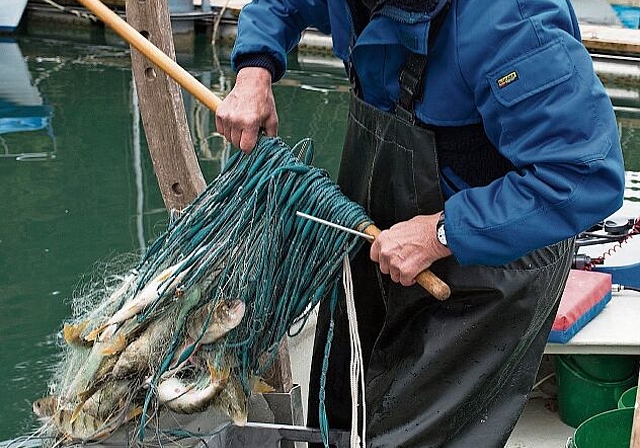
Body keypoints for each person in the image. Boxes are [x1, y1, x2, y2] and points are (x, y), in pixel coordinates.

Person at [215, 0, 626, 446]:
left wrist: (441, 233)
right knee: (338, 416)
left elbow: (585, 175)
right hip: (377, 234)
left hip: (490, 261)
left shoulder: (512, 19)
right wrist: (254, 69)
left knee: (415, 436)